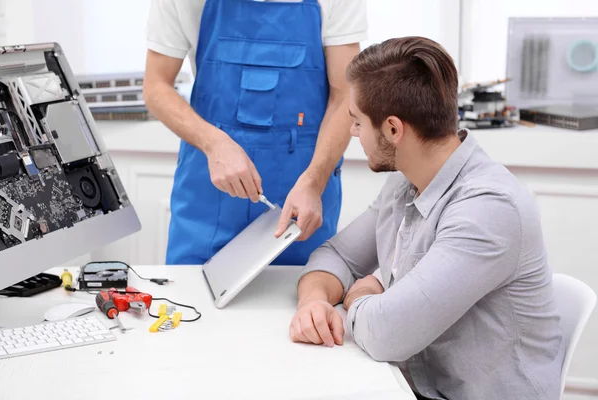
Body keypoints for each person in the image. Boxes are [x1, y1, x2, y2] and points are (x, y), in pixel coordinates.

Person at [289, 36, 565, 400]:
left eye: (357, 122)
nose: (353, 133)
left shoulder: (489, 210)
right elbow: (336, 256)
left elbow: (388, 334)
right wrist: (315, 302)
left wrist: (359, 295)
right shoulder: (406, 182)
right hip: (415, 387)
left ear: (392, 129)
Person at [143, 0, 367, 265]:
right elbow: (156, 86)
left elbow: (345, 96)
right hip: (208, 195)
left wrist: (314, 182)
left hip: (302, 197)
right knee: (190, 300)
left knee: (304, 299)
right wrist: (213, 143)